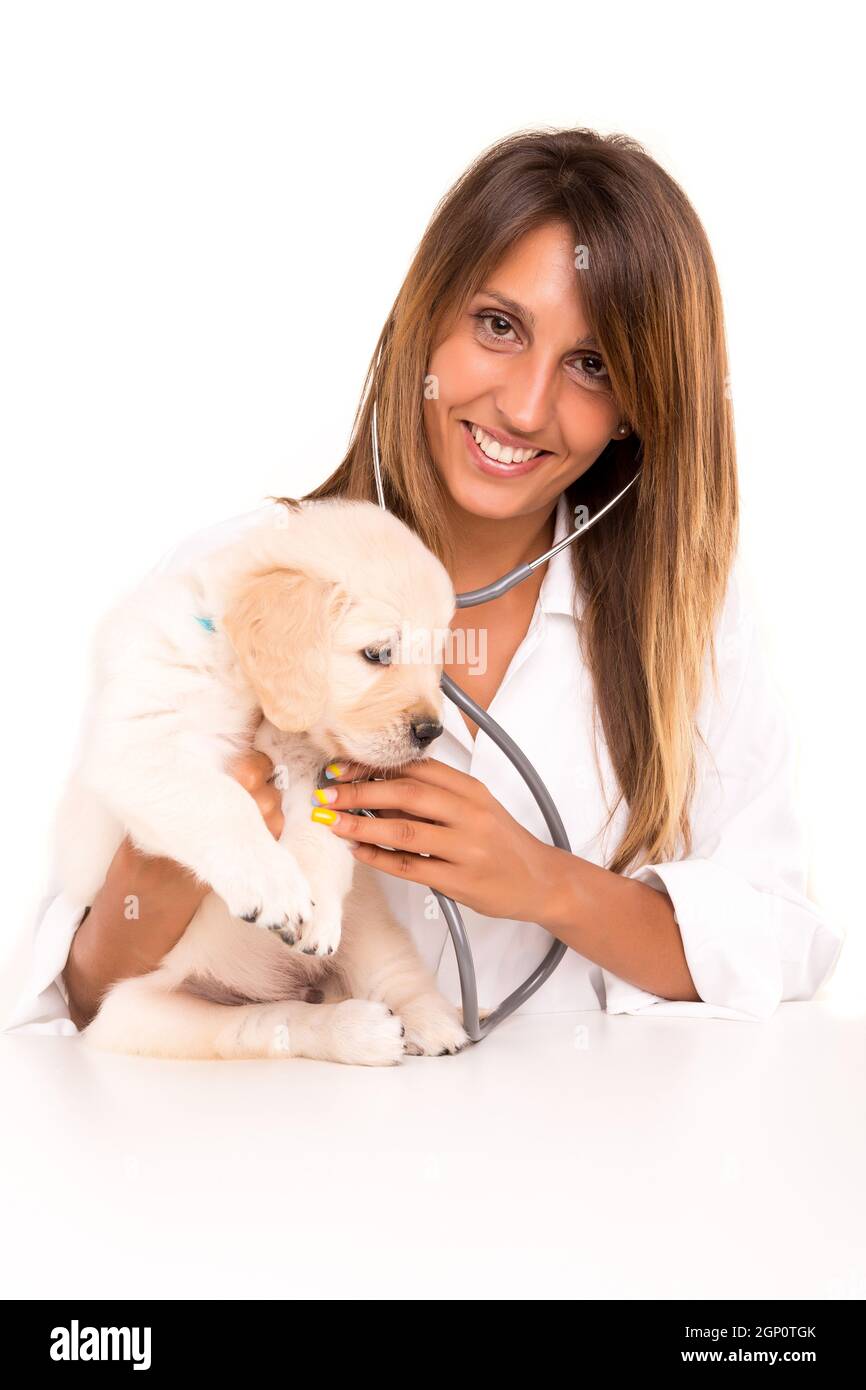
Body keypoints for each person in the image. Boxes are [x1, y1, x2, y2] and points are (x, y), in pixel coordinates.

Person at [3, 126, 843, 1037]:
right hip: (281, 1149)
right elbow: (86, 1003)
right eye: (498, 326)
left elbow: (779, 944)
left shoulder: (689, 627)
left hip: (593, 1159)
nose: (523, 407)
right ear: (424, 321)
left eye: (591, 365)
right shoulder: (241, 579)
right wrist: (177, 857)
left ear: (639, 410)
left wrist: (546, 883)